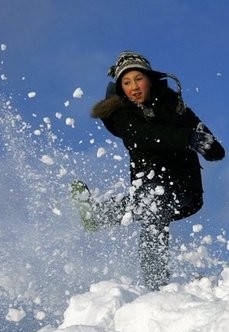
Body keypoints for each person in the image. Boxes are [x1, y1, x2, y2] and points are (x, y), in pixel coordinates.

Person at [71, 51, 225, 291]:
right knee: (153, 202)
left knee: (152, 202)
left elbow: (209, 140)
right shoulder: (119, 114)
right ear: (120, 88)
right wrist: (187, 137)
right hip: (152, 188)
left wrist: (209, 145)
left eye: (138, 79)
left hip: (187, 190)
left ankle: (99, 215)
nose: (133, 87)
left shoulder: (173, 104)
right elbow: (145, 135)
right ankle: (155, 283)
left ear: (150, 80)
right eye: (126, 82)